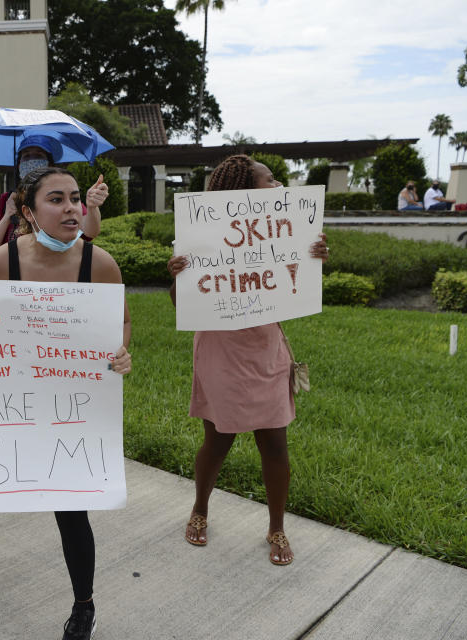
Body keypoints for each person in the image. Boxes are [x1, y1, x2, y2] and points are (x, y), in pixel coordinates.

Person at [0, 166, 132, 640]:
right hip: (14, 398)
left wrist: (120, 353)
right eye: (56, 200)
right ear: (28, 210)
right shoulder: (2, 261)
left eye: (76, 199)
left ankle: (84, 604)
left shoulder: (99, 264)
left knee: (71, 508)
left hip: (69, 404)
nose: (71, 209)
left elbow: (119, 324)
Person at [166, 154, 329, 567]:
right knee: (217, 439)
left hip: (266, 348)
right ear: (242, 191)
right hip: (221, 350)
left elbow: (295, 287)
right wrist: (178, 277)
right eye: (269, 180)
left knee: (275, 443)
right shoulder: (200, 235)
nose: (277, 186)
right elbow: (181, 303)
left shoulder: (287, 229)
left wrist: (314, 259)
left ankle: (277, 526)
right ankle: (200, 508)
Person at [0, 133, 107, 267]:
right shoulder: (6, 200)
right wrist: (7, 216)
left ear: (50, 164)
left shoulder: (64, 197)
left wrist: (92, 207)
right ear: (19, 164)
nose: (32, 160)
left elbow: (90, 231)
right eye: (26, 156)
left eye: (38, 155)